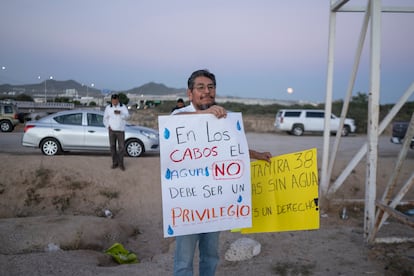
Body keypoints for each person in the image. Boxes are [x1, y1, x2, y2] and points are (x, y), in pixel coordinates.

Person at [172, 69, 272, 276]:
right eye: (200, 87)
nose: (207, 91)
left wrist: (256, 154)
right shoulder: (179, 115)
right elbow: (175, 128)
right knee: (183, 260)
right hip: (187, 203)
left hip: (214, 201)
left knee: (210, 256)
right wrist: (204, 115)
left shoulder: (222, 118)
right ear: (190, 93)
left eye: (211, 87)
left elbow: (231, 150)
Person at [103, 94, 130, 171]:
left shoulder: (123, 106)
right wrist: (108, 126)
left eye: (116, 100)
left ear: (118, 100)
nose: (114, 101)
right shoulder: (108, 108)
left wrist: (121, 113)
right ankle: (115, 163)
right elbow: (105, 119)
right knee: (112, 147)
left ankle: (121, 164)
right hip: (112, 130)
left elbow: (128, 117)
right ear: (111, 100)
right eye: (113, 100)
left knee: (121, 148)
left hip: (120, 130)